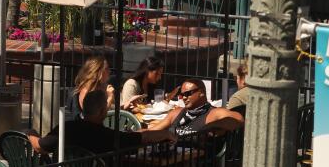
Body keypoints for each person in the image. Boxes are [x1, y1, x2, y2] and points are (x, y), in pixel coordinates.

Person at [29, 89, 176, 158]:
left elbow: (39, 146)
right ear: (102, 112)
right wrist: (166, 133)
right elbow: (143, 138)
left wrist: (29, 133)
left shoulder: (67, 128)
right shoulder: (107, 136)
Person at [166, 79, 244, 138]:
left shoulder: (214, 113)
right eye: (182, 95)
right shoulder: (176, 112)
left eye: (188, 93)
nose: (184, 98)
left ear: (201, 92)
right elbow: (159, 130)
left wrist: (210, 126)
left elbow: (239, 119)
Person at [68, 56, 115, 121]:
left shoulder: (98, 88)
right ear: (99, 72)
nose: (109, 71)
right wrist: (110, 97)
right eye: (107, 68)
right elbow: (96, 116)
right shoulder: (89, 92)